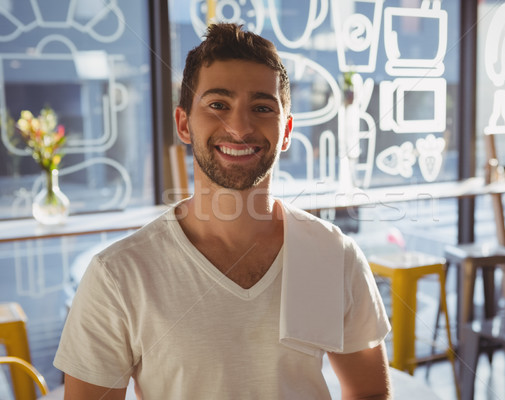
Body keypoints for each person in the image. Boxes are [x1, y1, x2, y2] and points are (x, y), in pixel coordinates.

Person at [54, 23, 391, 399]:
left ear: (286, 131)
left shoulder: (334, 255)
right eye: (218, 105)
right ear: (184, 123)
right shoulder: (117, 276)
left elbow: (369, 393)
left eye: (262, 107)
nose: (240, 127)